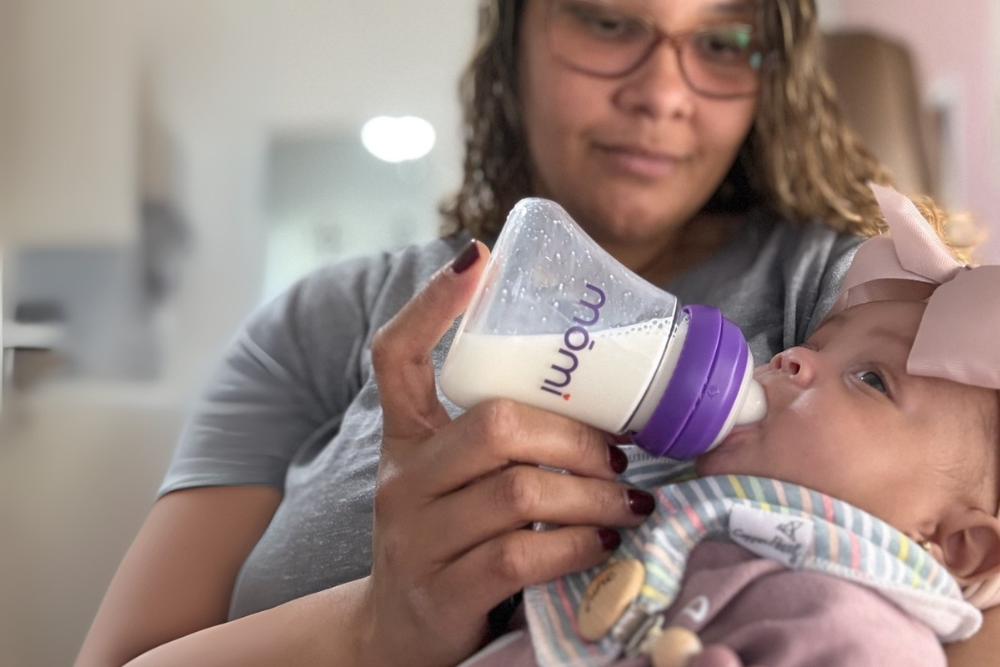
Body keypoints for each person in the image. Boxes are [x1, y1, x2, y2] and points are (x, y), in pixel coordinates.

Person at [72, 1, 997, 666]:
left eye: (721, 42)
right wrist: (374, 629)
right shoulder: (319, 321)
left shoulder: (864, 310)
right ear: (515, 31)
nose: (663, 94)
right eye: (609, 22)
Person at [459, 186, 1000, 666]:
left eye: (871, 379)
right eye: (815, 344)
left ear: (957, 546)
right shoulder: (678, 510)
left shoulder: (867, 635)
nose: (792, 358)